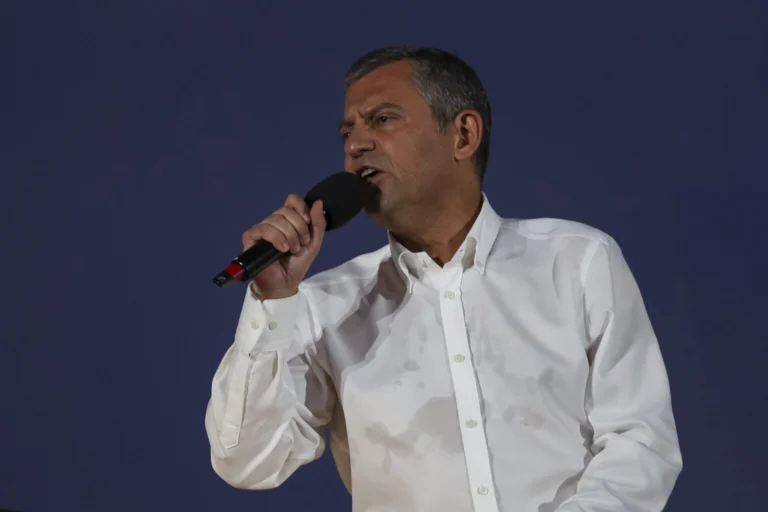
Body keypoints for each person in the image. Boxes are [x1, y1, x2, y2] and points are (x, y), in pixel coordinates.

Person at [204, 46, 682, 512]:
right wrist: (272, 301)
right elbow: (246, 462)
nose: (354, 145)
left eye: (382, 119)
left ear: (463, 135)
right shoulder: (325, 304)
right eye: (347, 131)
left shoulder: (577, 262)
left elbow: (639, 441)